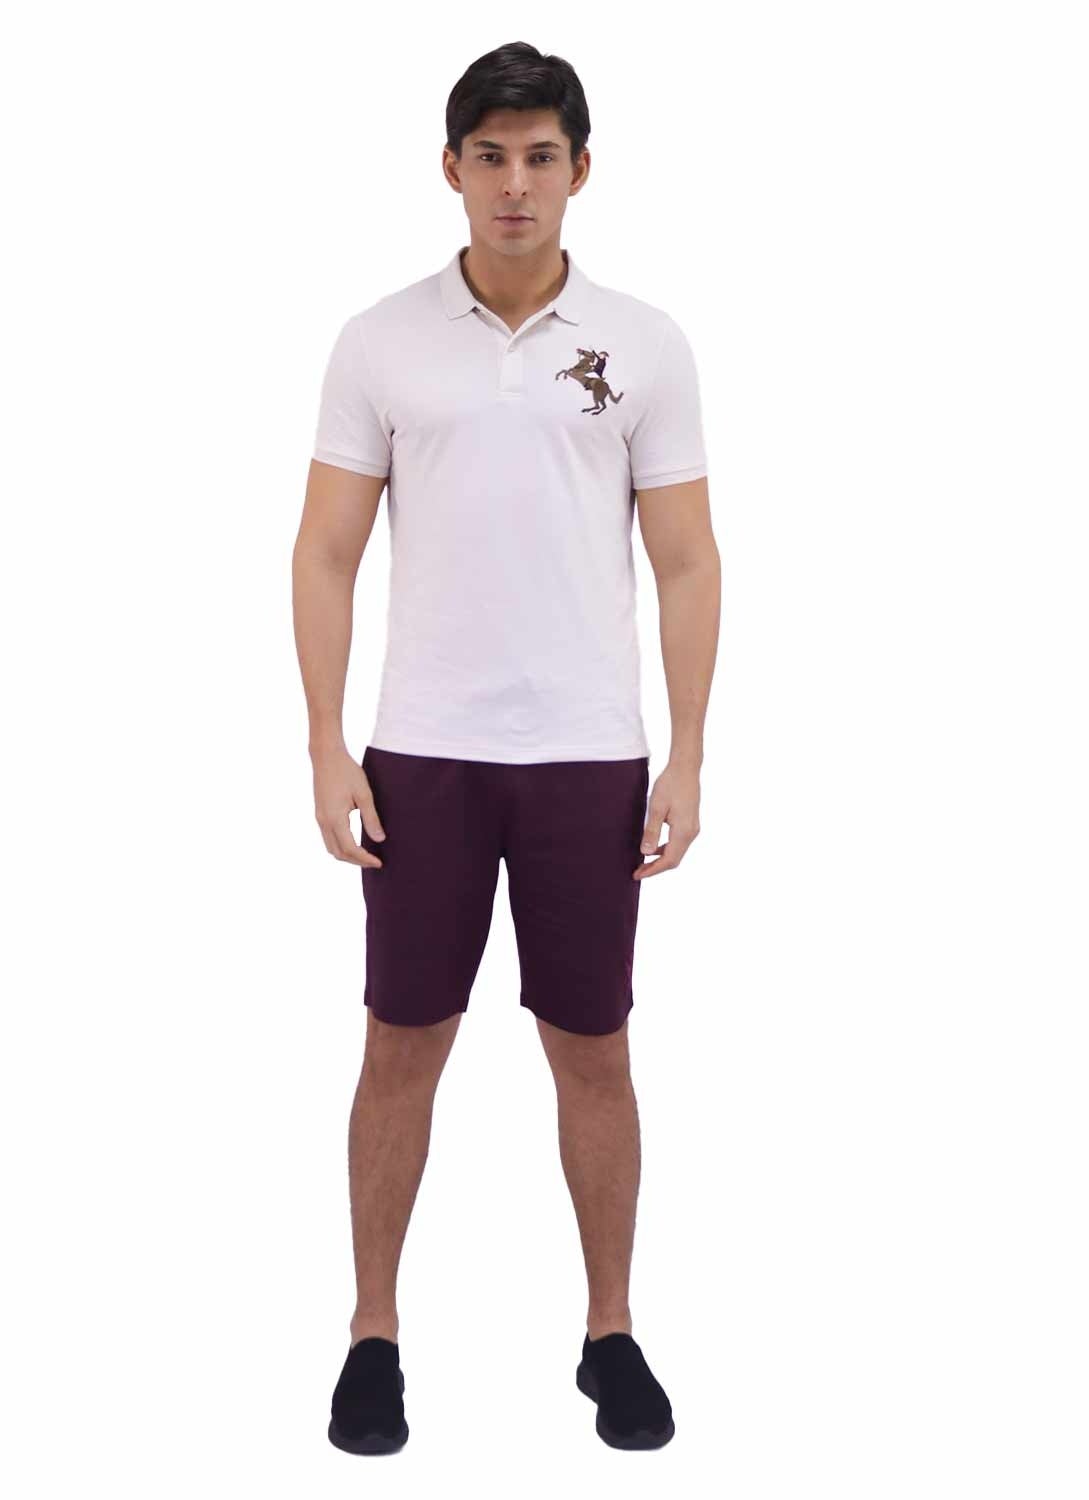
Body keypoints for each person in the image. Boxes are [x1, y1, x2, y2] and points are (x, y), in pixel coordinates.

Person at [292, 40, 719, 1454]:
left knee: (592, 1046)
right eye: (491, 157)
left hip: (589, 757)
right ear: (452, 169)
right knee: (400, 1042)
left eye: (541, 158)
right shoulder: (380, 342)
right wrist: (325, 745)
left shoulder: (645, 344)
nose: (516, 184)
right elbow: (326, 549)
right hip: (423, 754)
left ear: (581, 171)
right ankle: (372, 1336)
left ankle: (611, 1334)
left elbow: (687, 558)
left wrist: (688, 752)